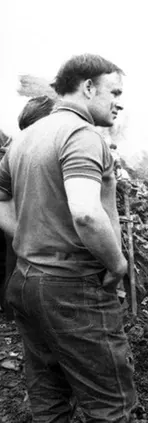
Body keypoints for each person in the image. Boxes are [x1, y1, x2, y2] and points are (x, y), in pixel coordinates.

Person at [0, 54, 137, 421]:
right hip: (74, 289)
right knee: (111, 405)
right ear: (88, 87)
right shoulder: (82, 135)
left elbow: (1, 203)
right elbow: (87, 214)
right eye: (114, 92)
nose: (118, 101)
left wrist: (30, 241)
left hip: (27, 283)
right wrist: (117, 263)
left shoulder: (25, 139)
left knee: (49, 399)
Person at [1, 96, 55, 319]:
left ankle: (12, 310)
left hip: (23, 224)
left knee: (14, 267)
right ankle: (13, 311)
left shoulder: (20, 151)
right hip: (20, 224)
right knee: (15, 267)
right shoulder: (20, 154)